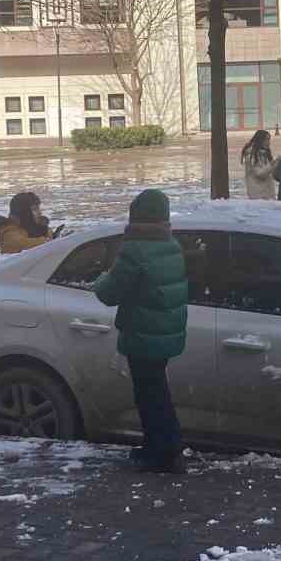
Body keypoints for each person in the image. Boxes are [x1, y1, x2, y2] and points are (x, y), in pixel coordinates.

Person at [92, 189, 188, 475]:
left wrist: (100, 278)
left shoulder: (134, 250)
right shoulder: (171, 244)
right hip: (166, 330)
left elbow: (110, 293)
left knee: (149, 395)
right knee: (158, 391)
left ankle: (162, 454)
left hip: (144, 333)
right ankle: (162, 448)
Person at [240, 130, 275, 200]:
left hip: (266, 194)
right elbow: (259, 173)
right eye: (266, 139)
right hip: (258, 195)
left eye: (269, 139)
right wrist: (272, 165)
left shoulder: (264, 154)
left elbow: (268, 172)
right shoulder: (251, 155)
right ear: (259, 140)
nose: (268, 142)